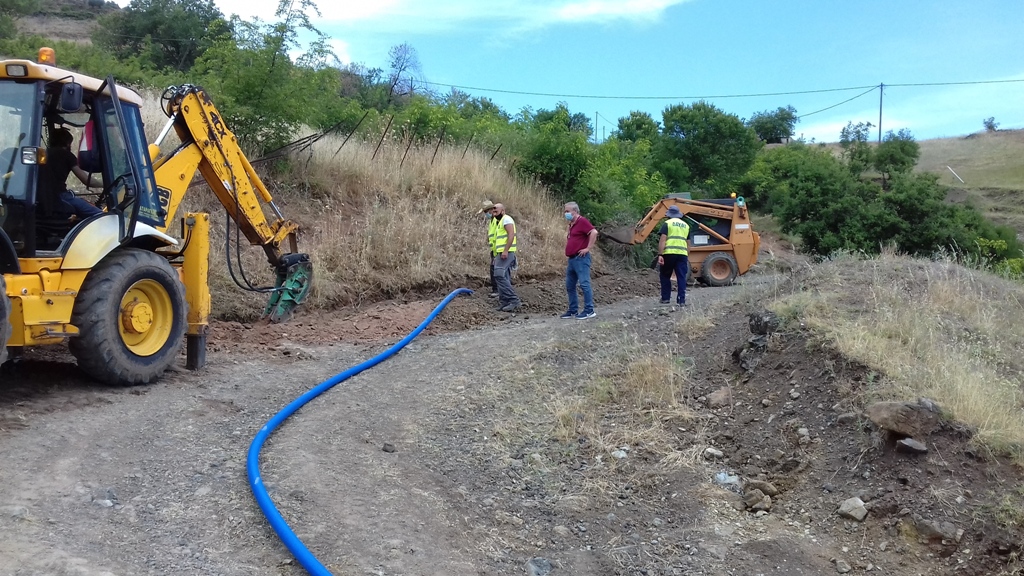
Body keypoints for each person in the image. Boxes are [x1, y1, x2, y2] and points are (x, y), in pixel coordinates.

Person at [37, 127, 102, 220]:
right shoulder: (66, 155)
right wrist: (104, 184)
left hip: (44, 197)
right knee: (100, 215)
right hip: (60, 196)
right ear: (67, 143)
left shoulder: (44, 154)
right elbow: (87, 181)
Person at [561, 201, 597, 319]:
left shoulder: (582, 222)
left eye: (567, 211)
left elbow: (594, 232)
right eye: (565, 211)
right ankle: (573, 310)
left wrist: (587, 248)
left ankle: (589, 310)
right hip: (572, 259)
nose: (566, 213)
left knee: (584, 284)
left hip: (581, 258)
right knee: (570, 285)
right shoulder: (572, 224)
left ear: (575, 211)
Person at [657, 205, 690, 306]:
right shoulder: (686, 225)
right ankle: (681, 300)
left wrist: (660, 254)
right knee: (681, 277)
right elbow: (688, 243)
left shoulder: (667, 224)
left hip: (669, 253)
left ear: (669, 215)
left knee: (665, 275)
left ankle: (665, 298)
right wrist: (686, 255)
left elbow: (663, 240)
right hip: (682, 254)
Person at [491, 203, 521, 312]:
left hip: (506, 253)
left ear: (503, 210)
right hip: (500, 253)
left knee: (498, 275)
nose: (494, 213)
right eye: (493, 212)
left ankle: (514, 300)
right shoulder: (498, 222)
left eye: (496, 211)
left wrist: (506, 250)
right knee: (502, 276)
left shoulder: (506, 219)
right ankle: (505, 301)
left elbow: (511, 235)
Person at [476, 199, 499, 298]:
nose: (486, 214)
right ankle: (497, 290)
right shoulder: (492, 221)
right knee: (494, 270)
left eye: (486, 212)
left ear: (490, 210)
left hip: (499, 251)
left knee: (497, 271)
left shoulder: (498, 220)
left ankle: (498, 291)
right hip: (495, 250)